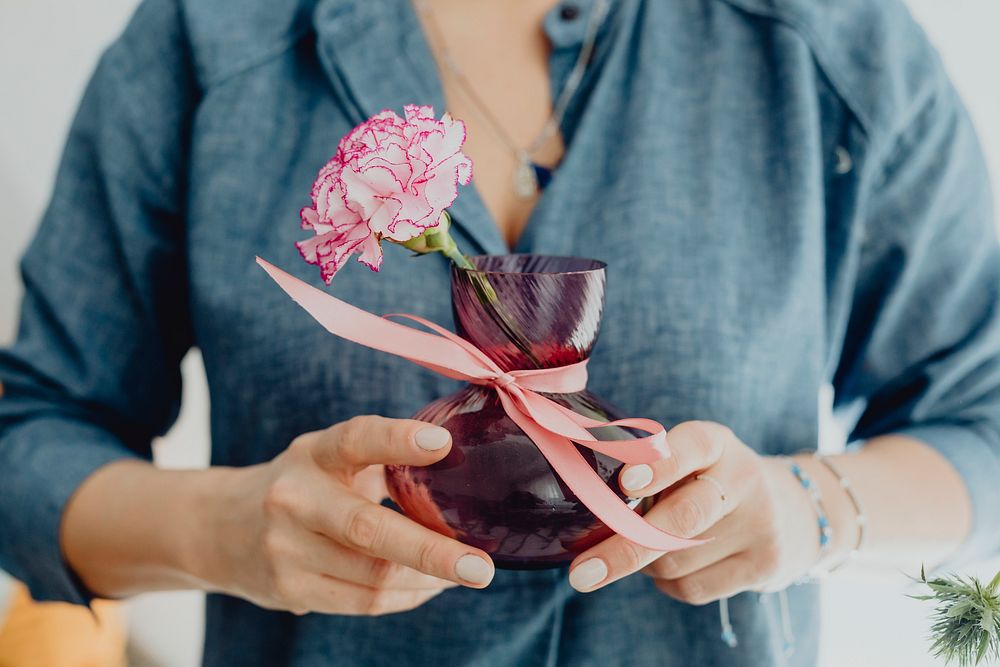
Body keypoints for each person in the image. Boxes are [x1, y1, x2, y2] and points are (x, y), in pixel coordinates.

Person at [1, 0, 998, 665]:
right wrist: (226, 530)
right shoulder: (208, 36)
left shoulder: (832, 42)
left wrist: (808, 508)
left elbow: (982, 424)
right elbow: (27, 439)